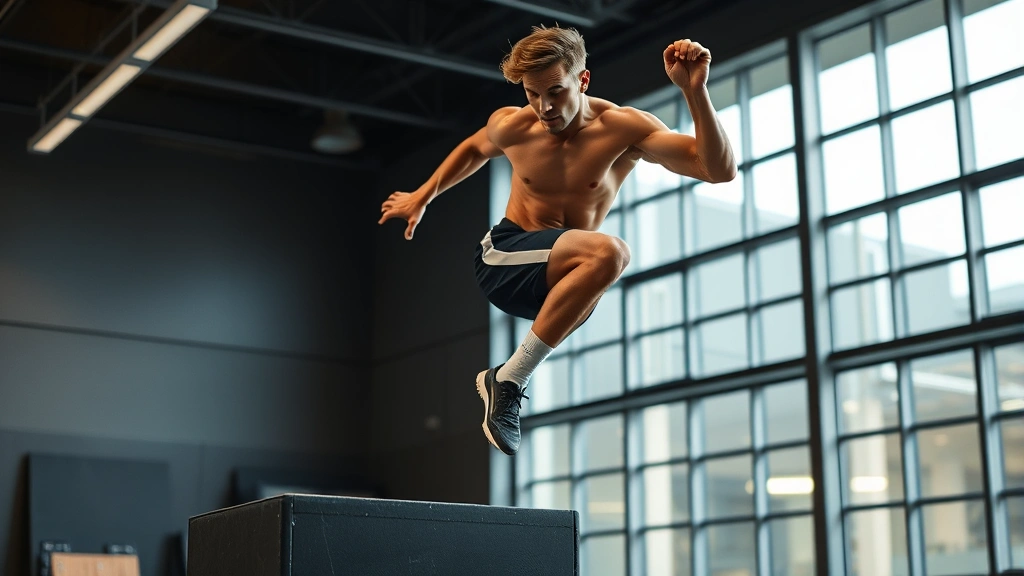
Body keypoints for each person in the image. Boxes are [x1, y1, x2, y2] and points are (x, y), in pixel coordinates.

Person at [378, 26, 736, 456]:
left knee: (605, 257)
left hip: (562, 281)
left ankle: (506, 378)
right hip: (505, 258)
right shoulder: (514, 126)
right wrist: (423, 195)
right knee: (611, 250)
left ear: (582, 80)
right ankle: (510, 379)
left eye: (555, 92)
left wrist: (695, 92)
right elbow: (473, 148)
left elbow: (717, 170)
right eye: (532, 93)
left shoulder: (624, 128)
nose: (544, 108)